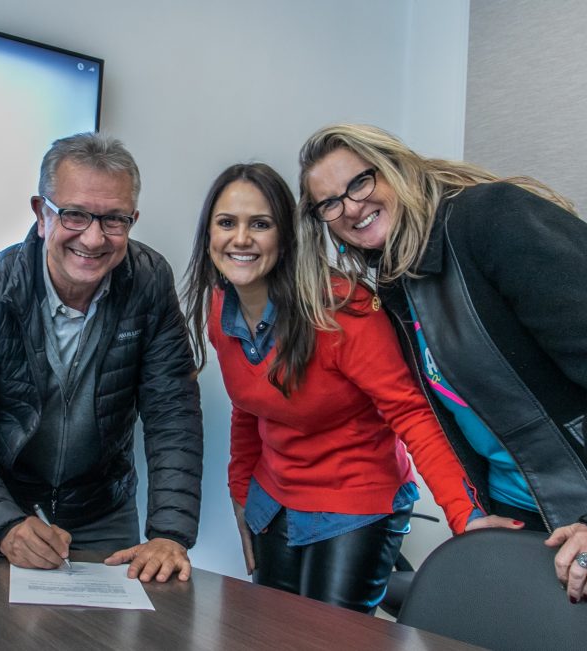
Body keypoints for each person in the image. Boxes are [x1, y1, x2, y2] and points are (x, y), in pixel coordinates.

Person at [295, 123, 587, 613]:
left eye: (360, 182)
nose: (351, 207)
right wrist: (476, 513)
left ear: (397, 168)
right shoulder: (398, 282)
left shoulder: (493, 218)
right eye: (330, 203)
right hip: (528, 515)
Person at [182, 163, 515, 613]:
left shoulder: (344, 309)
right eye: (227, 223)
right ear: (209, 235)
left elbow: (413, 416)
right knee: (266, 636)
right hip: (272, 499)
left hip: (356, 499)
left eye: (260, 224)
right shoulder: (222, 310)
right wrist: (241, 495)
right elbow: (251, 407)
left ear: (286, 236)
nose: (241, 239)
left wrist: (466, 517)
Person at [0, 132, 203, 583]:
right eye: (74, 215)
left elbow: (173, 414)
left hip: (104, 511)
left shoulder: (150, 281)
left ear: (132, 220)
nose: (93, 239)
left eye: (113, 220)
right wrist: (3, 524)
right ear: (42, 214)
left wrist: (170, 532)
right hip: (7, 507)